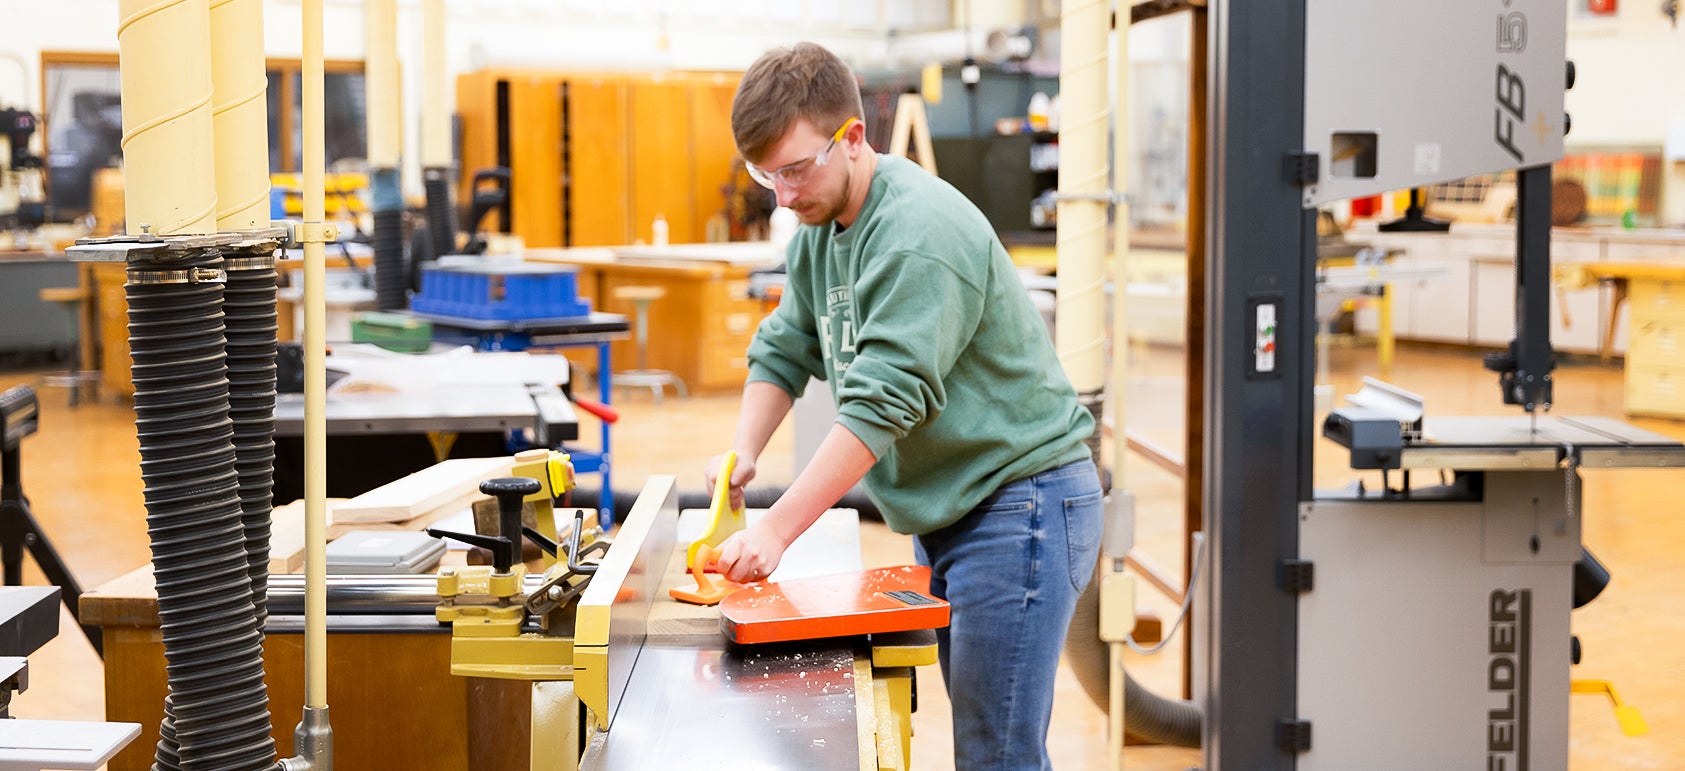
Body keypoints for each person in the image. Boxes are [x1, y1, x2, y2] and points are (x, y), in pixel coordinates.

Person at [706, 42, 1103, 771]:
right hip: (951, 506)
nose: (783, 196)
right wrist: (744, 454)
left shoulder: (919, 231)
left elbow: (883, 403)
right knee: (987, 742)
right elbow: (784, 346)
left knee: (997, 752)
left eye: (796, 169)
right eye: (767, 175)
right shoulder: (816, 231)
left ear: (852, 138)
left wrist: (777, 531)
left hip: (1022, 504)